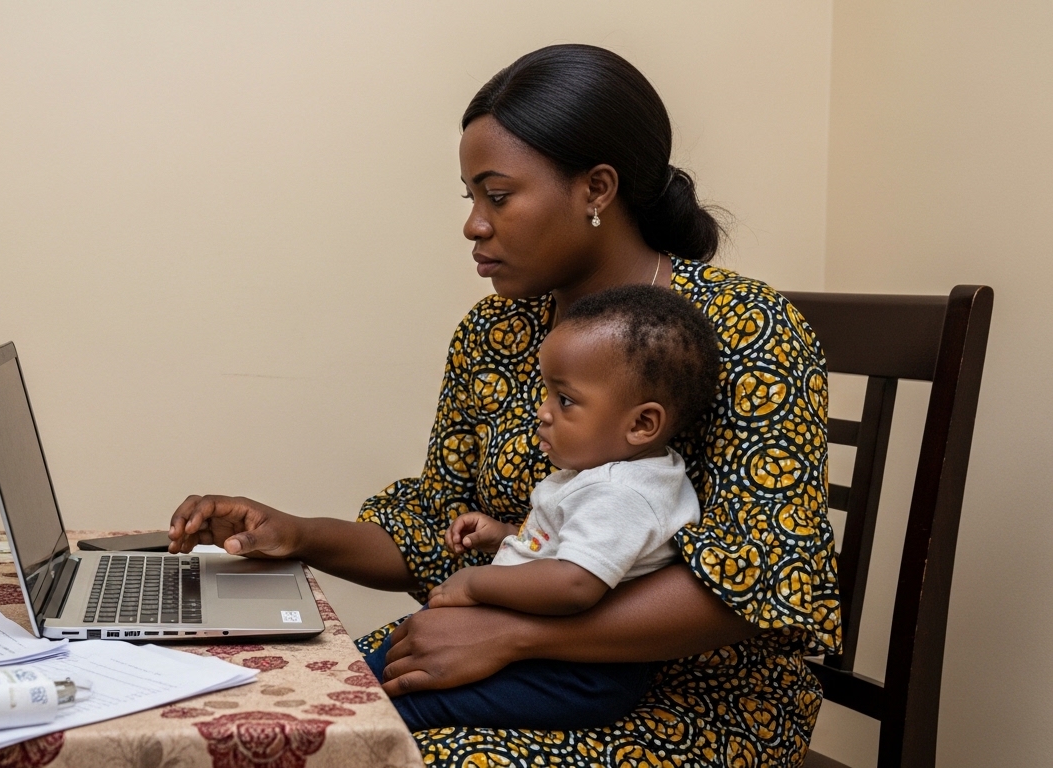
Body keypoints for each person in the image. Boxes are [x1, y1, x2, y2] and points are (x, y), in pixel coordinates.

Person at [168, 43, 838, 766]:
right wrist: (296, 534)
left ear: (597, 189)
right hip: (506, 662)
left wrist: (521, 634)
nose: (474, 225)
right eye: (471, 198)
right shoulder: (494, 332)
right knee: (265, 710)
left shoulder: (746, 328)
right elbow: (435, 527)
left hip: (693, 699)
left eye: (499, 194)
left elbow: (757, 578)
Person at [361, 285, 720, 732]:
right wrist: (506, 533)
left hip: (572, 673)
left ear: (642, 424)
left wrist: (476, 582)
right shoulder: (616, 475)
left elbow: (573, 584)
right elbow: (583, 546)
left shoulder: (624, 493)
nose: (543, 412)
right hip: (550, 660)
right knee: (363, 680)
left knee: (391, 711)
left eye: (564, 400)